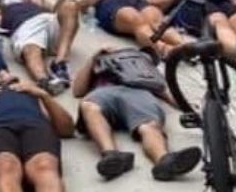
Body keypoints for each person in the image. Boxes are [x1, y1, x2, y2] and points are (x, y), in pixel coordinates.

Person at [72, 47, 202, 181]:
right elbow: (77, 91)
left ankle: (164, 160)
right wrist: (94, 57)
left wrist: (187, 106)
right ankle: (111, 155)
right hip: (105, 91)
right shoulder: (101, 66)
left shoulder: (145, 69)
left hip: (139, 92)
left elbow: (164, 91)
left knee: (148, 126)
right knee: (89, 106)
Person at [78, 0, 189, 57]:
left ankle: (185, 47)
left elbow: (146, 0)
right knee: (135, 19)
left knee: (154, 16)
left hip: (136, 1)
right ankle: (163, 49)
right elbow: (81, 5)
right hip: (111, 6)